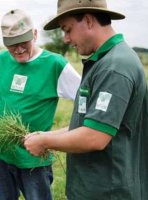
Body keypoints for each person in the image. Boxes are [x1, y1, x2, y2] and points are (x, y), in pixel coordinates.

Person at [24, 0, 148, 199]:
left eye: (68, 29)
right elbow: (88, 124)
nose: (65, 38)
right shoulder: (103, 62)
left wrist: (45, 142)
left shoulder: (115, 67)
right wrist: (47, 135)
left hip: (110, 191)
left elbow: (95, 136)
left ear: (89, 21)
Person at [0, 9, 81, 200]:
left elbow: (86, 100)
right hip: (2, 153)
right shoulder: (1, 59)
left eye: (23, 43)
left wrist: (60, 134)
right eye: (12, 45)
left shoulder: (55, 65)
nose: (18, 50)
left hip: (34, 158)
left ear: (34, 34)